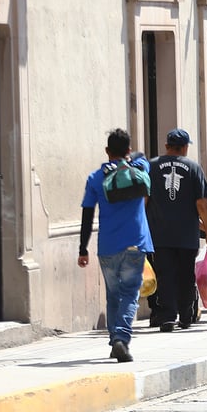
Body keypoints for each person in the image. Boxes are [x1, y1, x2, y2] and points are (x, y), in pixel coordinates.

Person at [78, 128, 153, 363]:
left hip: (107, 246)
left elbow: (87, 215)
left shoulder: (95, 178)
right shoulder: (139, 169)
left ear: (106, 151)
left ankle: (114, 340)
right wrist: (129, 158)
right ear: (128, 150)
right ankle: (121, 337)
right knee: (130, 294)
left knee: (113, 295)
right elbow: (143, 157)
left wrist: (83, 248)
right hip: (135, 244)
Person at [146, 128, 207, 332]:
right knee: (186, 274)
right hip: (187, 233)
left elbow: (144, 200)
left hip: (159, 233)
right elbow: (202, 204)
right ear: (185, 147)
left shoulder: (151, 166)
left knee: (165, 274)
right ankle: (186, 315)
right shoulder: (193, 167)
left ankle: (167, 316)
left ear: (167, 146)